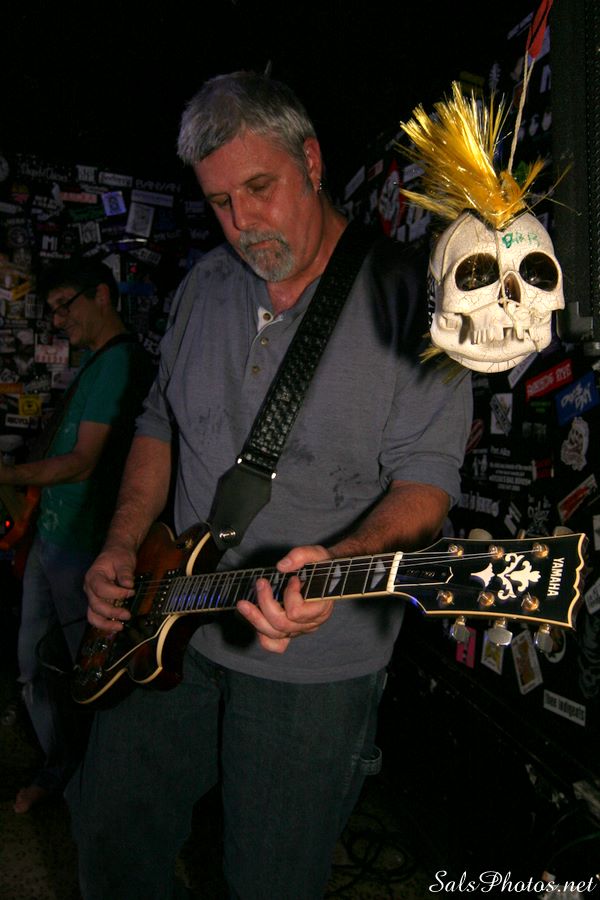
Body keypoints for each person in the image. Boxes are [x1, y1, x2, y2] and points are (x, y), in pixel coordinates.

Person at [67, 71, 473, 899]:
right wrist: (120, 544)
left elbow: (427, 485)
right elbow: (159, 425)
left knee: (271, 880)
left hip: (315, 663)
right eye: (220, 201)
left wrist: (340, 563)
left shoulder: (415, 300)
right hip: (166, 624)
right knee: (109, 834)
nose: (243, 222)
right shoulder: (205, 287)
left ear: (312, 162)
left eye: (260, 187)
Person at [0, 257, 154, 814]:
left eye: (65, 306)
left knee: (85, 674)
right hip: (54, 538)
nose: (59, 320)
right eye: (52, 311)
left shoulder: (120, 362)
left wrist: (8, 474)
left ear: (102, 295)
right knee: (36, 666)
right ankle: (63, 773)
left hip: (82, 546)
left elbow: (83, 462)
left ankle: (86, 786)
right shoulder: (97, 361)